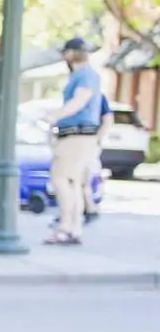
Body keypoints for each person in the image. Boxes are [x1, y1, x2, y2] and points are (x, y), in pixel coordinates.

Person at [46, 38, 105, 245]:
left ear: (72, 53)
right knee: (74, 182)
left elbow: (80, 101)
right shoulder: (85, 75)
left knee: (61, 179)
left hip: (76, 134)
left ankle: (65, 226)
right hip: (81, 135)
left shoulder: (85, 75)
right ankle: (74, 228)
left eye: (66, 52)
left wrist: (56, 115)